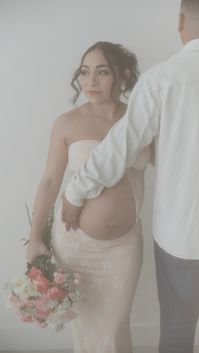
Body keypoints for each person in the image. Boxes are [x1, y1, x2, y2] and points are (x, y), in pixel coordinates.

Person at [61, 1, 199, 352]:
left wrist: (74, 192)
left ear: (180, 21)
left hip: (178, 233)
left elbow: (117, 148)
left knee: (176, 330)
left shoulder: (161, 79)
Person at [26, 41, 153, 353]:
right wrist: (34, 239)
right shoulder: (67, 123)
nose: (91, 82)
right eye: (85, 72)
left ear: (122, 77)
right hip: (74, 243)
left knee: (115, 324)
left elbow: (172, 162)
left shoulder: (140, 119)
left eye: (102, 72)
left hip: (124, 245)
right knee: (84, 325)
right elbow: (50, 181)